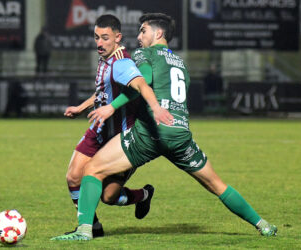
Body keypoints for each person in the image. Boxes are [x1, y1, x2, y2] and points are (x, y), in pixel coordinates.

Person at [51, 13, 277, 241]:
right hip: (180, 135)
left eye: (143, 31)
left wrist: (114, 107)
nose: (139, 36)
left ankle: (85, 231)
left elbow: (143, 81)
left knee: (92, 170)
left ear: (158, 33)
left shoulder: (143, 54)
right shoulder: (180, 63)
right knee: (217, 184)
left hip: (149, 134)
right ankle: (263, 224)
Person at [61, 14, 173, 238]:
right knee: (73, 177)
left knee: (109, 197)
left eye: (104, 38)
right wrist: (81, 106)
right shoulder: (105, 59)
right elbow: (102, 91)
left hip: (122, 134)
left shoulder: (123, 61)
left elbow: (140, 84)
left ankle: (142, 195)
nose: (99, 43)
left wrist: (156, 109)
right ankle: (92, 226)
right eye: (96, 38)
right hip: (100, 130)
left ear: (118, 37)